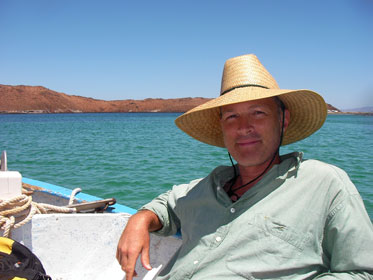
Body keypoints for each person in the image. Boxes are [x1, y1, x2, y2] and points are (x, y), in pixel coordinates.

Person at [116, 54, 373, 279]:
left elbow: (361, 272)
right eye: (231, 116)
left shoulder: (324, 184)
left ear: (283, 120)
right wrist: (140, 219)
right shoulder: (210, 185)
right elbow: (168, 205)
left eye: (258, 112)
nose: (243, 127)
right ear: (222, 128)